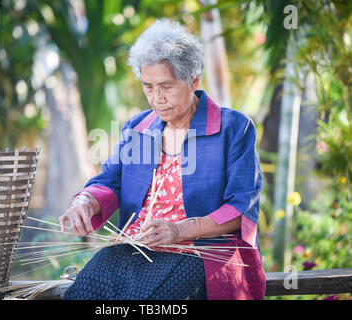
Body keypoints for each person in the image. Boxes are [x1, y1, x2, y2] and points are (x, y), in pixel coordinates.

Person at [59, 18, 266, 300]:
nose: (157, 98)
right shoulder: (138, 129)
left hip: (199, 251)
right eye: (148, 87)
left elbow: (242, 208)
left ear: (194, 80)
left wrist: (180, 230)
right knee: (82, 293)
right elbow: (111, 181)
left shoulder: (233, 129)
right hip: (133, 245)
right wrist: (85, 202)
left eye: (166, 86)